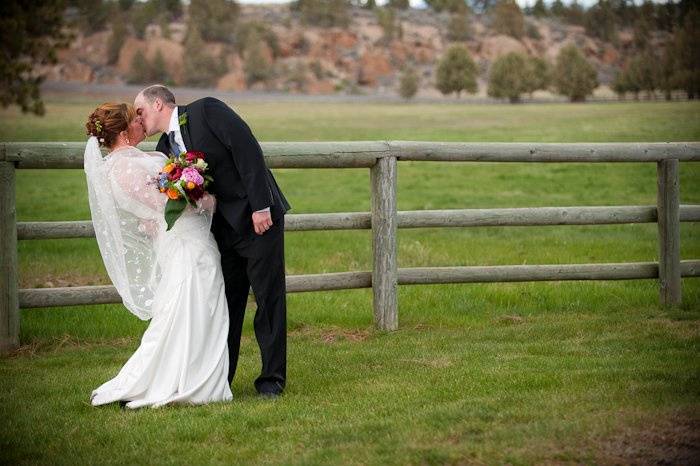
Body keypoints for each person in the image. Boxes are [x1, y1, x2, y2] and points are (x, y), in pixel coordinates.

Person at [134, 85, 291, 397]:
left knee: (268, 300)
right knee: (227, 305)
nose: (138, 118)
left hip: (258, 220)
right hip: (222, 229)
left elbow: (247, 150)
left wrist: (261, 206)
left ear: (158, 103)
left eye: (140, 110)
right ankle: (222, 379)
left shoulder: (206, 110)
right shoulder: (166, 146)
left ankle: (271, 380)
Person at [84, 102, 232, 409]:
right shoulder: (124, 167)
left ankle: (195, 376)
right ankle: (182, 381)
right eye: (136, 120)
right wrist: (207, 200)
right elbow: (165, 205)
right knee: (189, 306)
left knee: (195, 306)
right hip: (182, 241)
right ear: (124, 132)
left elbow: (148, 210)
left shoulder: (131, 161)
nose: (142, 122)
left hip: (182, 239)